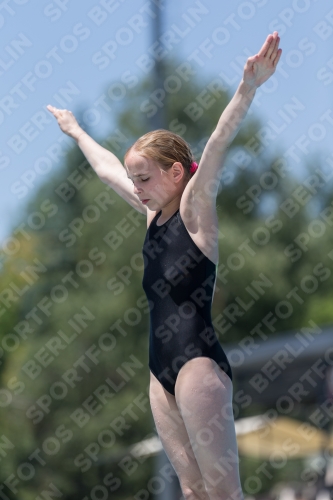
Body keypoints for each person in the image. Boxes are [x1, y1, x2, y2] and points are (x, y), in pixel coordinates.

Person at [47, 31, 282, 500]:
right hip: (159, 372)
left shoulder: (195, 209)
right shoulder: (152, 215)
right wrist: (75, 131)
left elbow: (217, 142)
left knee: (223, 494)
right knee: (191, 493)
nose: (136, 187)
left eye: (145, 178)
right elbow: (108, 168)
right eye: (135, 180)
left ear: (176, 173)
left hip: (198, 365)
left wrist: (248, 87)